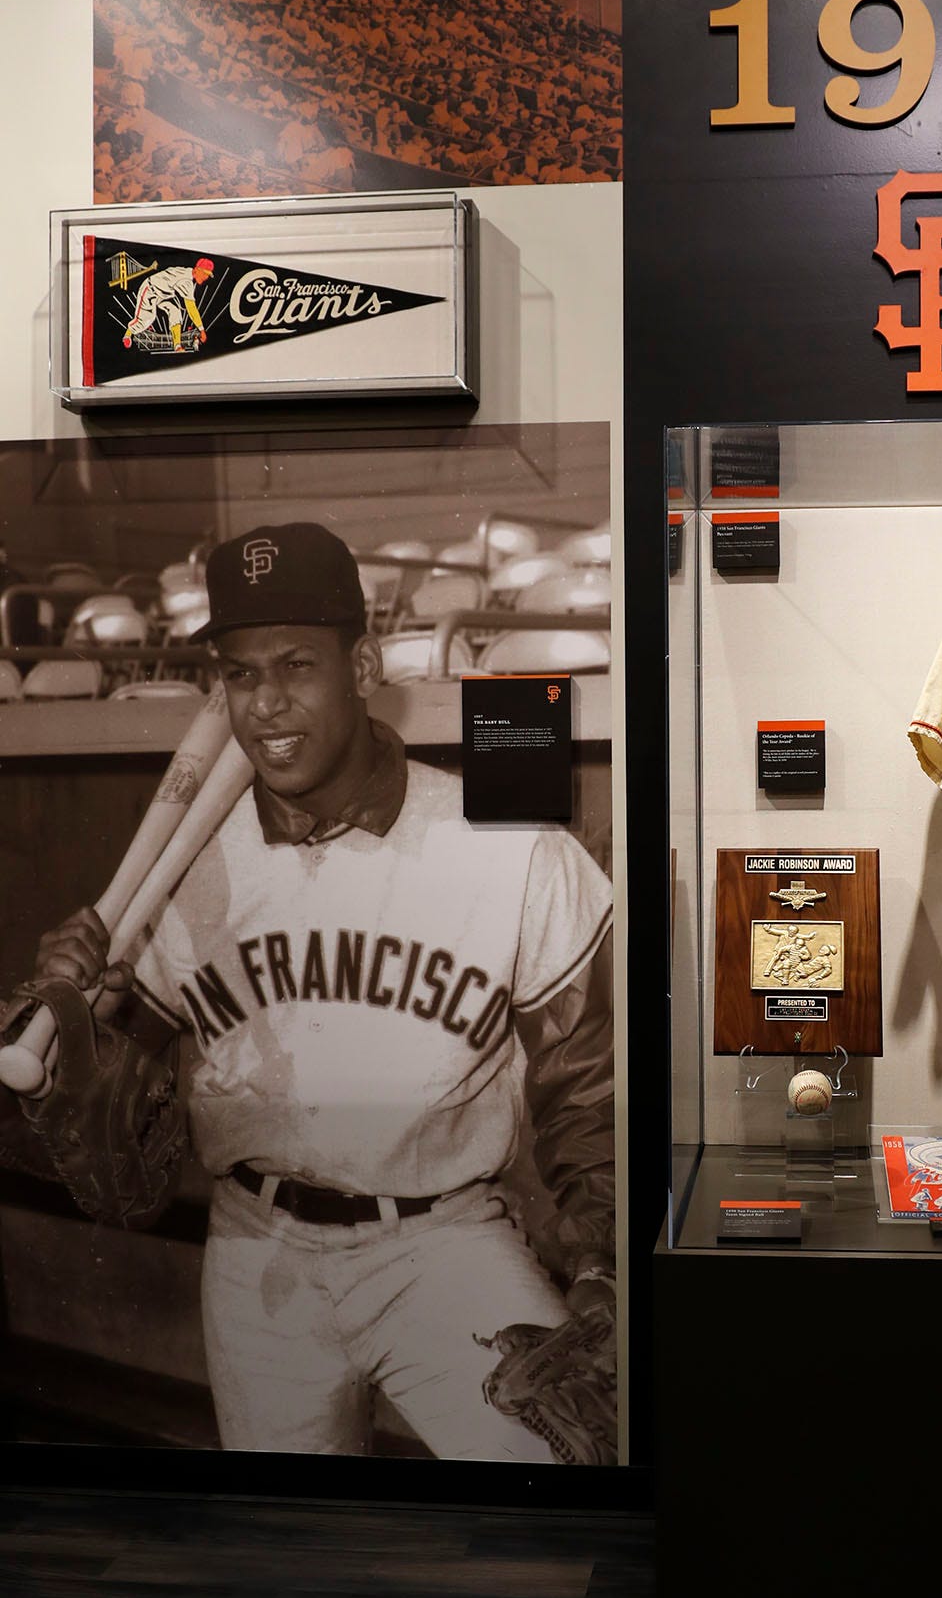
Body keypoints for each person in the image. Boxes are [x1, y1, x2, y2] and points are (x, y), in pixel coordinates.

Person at [33, 522, 614, 1461]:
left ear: (365, 663)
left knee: (556, 1490)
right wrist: (71, 1039)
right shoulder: (185, 869)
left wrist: (603, 1265)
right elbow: (126, 1168)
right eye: (241, 673)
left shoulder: (504, 845)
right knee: (290, 1555)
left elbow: (591, 1086)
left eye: (297, 664)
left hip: (441, 1242)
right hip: (259, 1249)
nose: (267, 705)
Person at [123, 256, 215, 353]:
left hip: (164, 294)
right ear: (197, 270)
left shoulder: (188, 273)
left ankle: (177, 346)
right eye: (205, 274)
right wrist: (202, 330)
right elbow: (191, 308)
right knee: (147, 318)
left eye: (208, 275)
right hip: (150, 290)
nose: (206, 277)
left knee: (175, 312)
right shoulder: (186, 281)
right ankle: (128, 334)